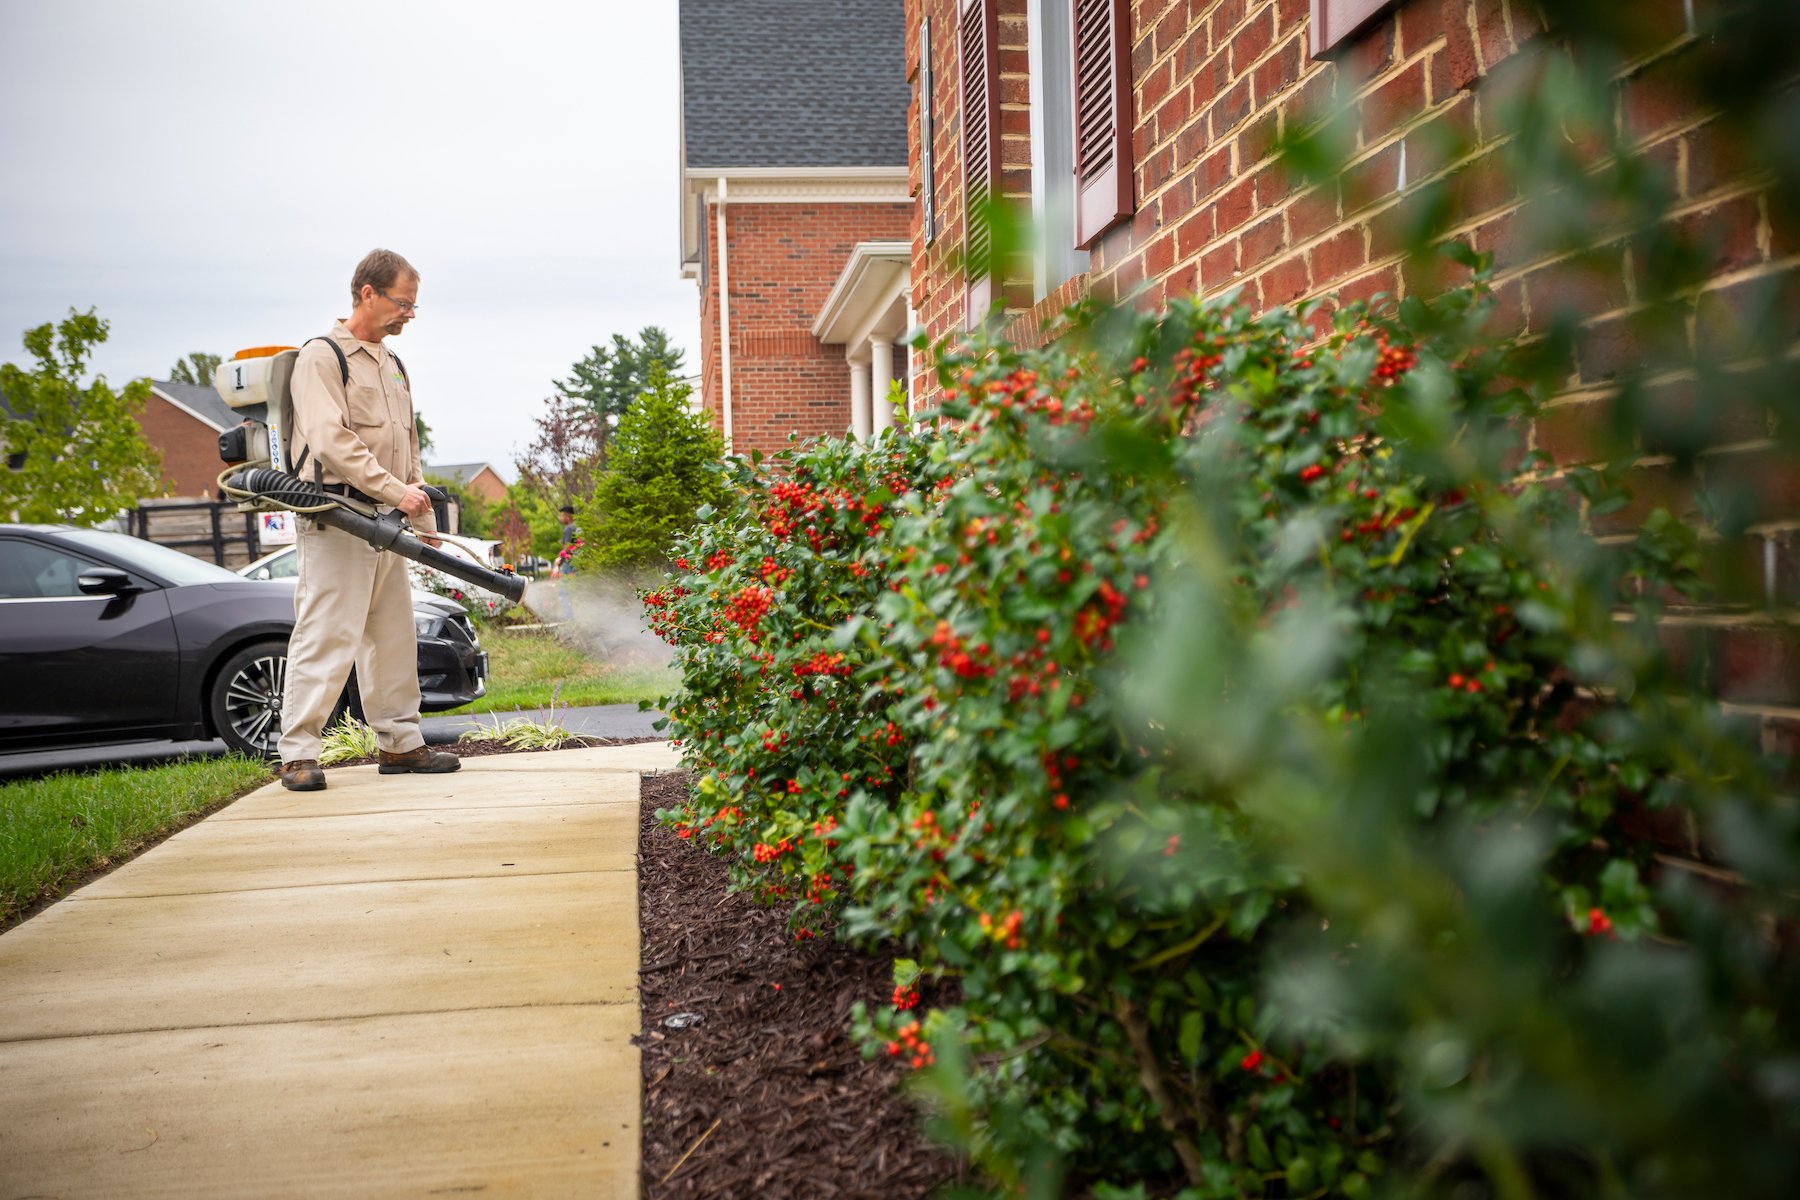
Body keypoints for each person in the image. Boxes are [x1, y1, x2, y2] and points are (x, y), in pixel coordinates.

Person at [275, 249, 460, 791]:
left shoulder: (392, 364)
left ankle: (401, 744)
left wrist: (417, 501)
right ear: (367, 294)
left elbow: (407, 444)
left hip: (388, 519)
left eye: (414, 305)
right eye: (404, 302)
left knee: (392, 636)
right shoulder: (322, 357)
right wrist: (394, 490)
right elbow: (332, 441)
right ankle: (298, 754)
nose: (410, 314)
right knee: (327, 634)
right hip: (338, 517)